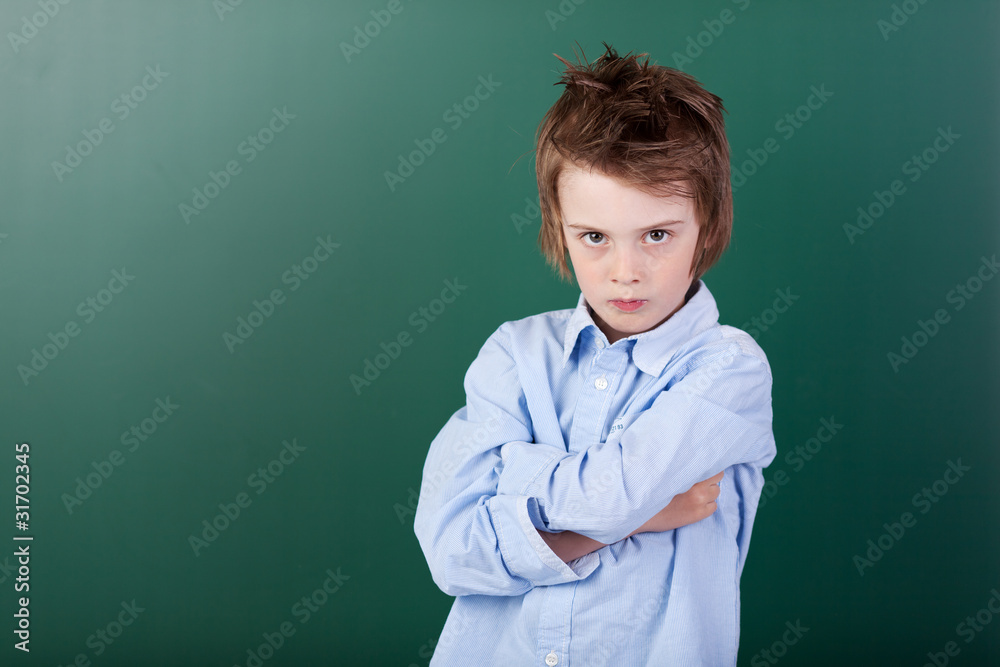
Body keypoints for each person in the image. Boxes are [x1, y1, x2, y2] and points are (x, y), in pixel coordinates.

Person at [413, 42, 776, 666]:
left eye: (657, 234)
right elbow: (452, 552)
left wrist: (515, 478)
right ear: (560, 226)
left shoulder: (728, 368)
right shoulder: (513, 353)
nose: (625, 272)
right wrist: (640, 518)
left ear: (708, 226)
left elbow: (614, 493)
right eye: (595, 237)